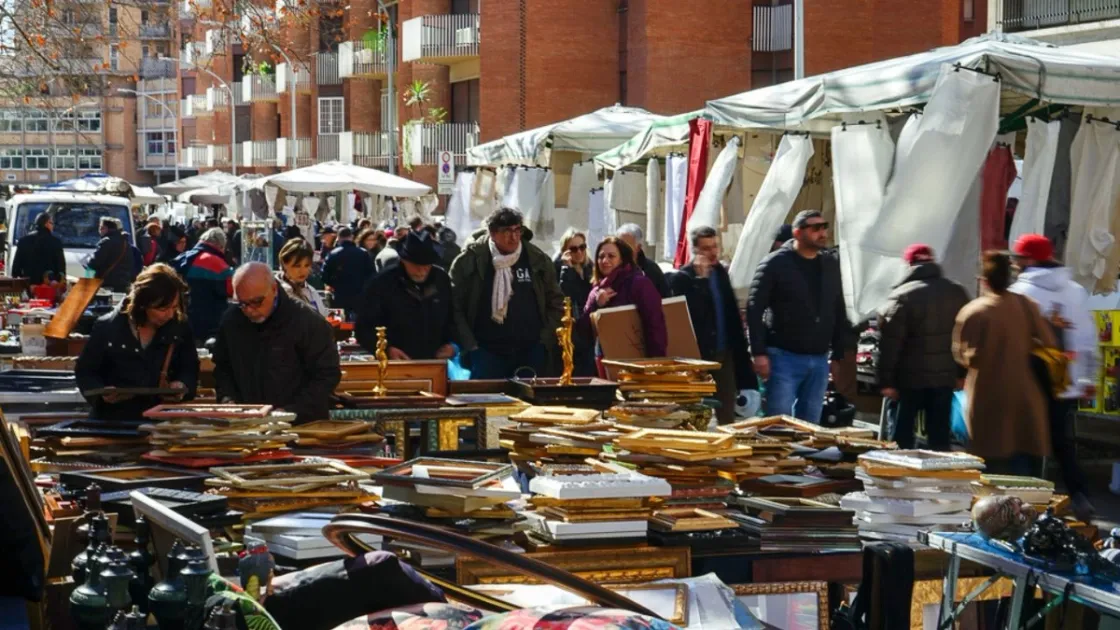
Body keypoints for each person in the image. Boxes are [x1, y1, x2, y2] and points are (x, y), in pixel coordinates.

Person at [1009, 234, 1098, 522]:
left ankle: (1028, 503)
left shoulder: (1019, 292)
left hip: (1030, 376)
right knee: (1060, 440)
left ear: (1029, 259)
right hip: (1066, 378)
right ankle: (1079, 494)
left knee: (1026, 439)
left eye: (1019, 258)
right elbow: (1087, 337)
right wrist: (1087, 377)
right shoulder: (1074, 290)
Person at [954, 251, 1057, 476]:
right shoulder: (1026, 304)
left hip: (987, 395)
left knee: (988, 465)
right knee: (1021, 460)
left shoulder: (974, 311)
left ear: (984, 280)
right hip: (1023, 392)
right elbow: (1049, 340)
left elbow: (964, 356)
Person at [748, 210, 848, 423]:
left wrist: (838, 354)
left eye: (824, 226)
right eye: (815, 228)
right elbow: (754, 309)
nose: (822, 232)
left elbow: (838, 308)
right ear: (797, 232)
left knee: (810, 427)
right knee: (779, 425)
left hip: (820, 358)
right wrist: (758, 353)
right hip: (783, 357)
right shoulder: (774, 264)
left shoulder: (829, 264)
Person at [213, 262, 341, 424]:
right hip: (246, 425)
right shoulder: (232, 320)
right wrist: (228, 402)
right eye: (243, 304)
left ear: (273, 289)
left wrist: (290, 411)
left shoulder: (307, 321)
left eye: (257, 302)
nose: (250, 310)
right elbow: (223, 368)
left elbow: (327, 375)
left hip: (300, 427)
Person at [450, 207, 564, 379]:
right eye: (507, 231)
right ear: (492, 233)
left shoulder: (537, 259)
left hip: (531, 351)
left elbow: (556, 301)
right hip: (486, 351)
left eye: (517, 230)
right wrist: (470, 345)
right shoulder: (469, 260)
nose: (514, 237)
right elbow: (454, 306)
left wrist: (544, 340)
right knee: (490, 403)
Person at [75, 263, 198, 421]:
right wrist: (101, 392)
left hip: (161, 422)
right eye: (162, 309)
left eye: (174, 307)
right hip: (114, 422)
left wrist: (182, 385)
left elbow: (190, 368)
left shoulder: (180, 326)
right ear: (142, 304)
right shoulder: (108, 327)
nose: (169, 314)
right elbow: (85, 371)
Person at [876, 244, 970, 450]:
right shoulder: (957, 292)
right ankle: (939, 479)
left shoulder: (903, 295)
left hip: (909, 380)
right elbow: (966, 338)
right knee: (939, 439)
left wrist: (886, 381)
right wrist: (962, 373)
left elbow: (890, 345)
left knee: (901, 440)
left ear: (909, 264)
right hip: (945, 379)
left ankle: (899, 478)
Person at [669, 226, 756, 424]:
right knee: (695, 411)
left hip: (724, 352)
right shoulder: (684, 278)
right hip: (698, 357)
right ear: (696, 250)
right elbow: (692, 315)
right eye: (706, 248)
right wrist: (701, 281)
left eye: (715, 246)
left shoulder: (721, 274)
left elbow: (731, 313)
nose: (713, 252)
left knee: (726, 408)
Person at [356, 231, 456, 361]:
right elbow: (364, 327)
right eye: (416, 266)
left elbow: (453, 318)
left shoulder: (441, 280)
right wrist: (387, 349)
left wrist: (454, 346)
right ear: (404, 260)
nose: (421, 271)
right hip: (395, 363)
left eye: (426, 266)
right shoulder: (382, 283)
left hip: (435, 362)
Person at [581, 237, 668, 372]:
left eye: (611, 256)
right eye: (601, 256)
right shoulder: (595, 291)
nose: (605, 261)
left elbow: (655, 323)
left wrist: (656, 362)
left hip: (637, 364)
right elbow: (583, 331)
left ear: (622, 259)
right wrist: (596, 304)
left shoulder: (639, 284)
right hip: (603, 363)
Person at [172, 227, 234, 344]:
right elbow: (233, 290)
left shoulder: (183, 258)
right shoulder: (217, 263)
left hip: (182, 322)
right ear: (220, 246)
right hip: (209, 325)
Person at [554, 228, 596, 377]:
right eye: (573, 249)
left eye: (582, 247)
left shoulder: (591, 268)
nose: (579, 252)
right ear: (565, 251)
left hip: (587, 327)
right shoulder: (558, 269)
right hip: (569, 328)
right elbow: (565, 295)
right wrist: (567, 270)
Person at [322, 226, 375, 318]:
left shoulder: (332, 254)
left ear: (338, 238)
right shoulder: (363, 253)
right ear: (351, 237)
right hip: (360, 296)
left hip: (340, 295)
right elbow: (372, 275)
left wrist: (334, 284)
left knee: (341, 324)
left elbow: (324, 276)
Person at [11, 212, 65, 289]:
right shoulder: (56, 242)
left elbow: (16, 268)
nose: (53, 226)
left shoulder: (23, 241)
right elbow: (61, 267)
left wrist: (21, 285)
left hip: (29, 286)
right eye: (52, 223)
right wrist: (59, 282)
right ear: (47, 224)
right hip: (49, 287)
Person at [276, 238, 329, 317]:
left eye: (306, 265)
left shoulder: (311, 291)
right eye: (297, 266)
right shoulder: (277, 293)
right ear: (284, 264)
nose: (302, 271)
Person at [616, 223, 670, 298]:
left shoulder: (651, 270)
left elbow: (667, 300)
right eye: (618, 246)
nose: (621, 250)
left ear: (638, 247)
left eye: (626, 246)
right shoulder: (610, 266)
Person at [88, 217, 137, 293]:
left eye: (101, 228)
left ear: (105, 228)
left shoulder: (106, 242)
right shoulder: (125, 243)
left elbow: (94, 263)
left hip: (107, 282)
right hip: (123, 283)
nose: (100, 231)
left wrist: (89, 260)